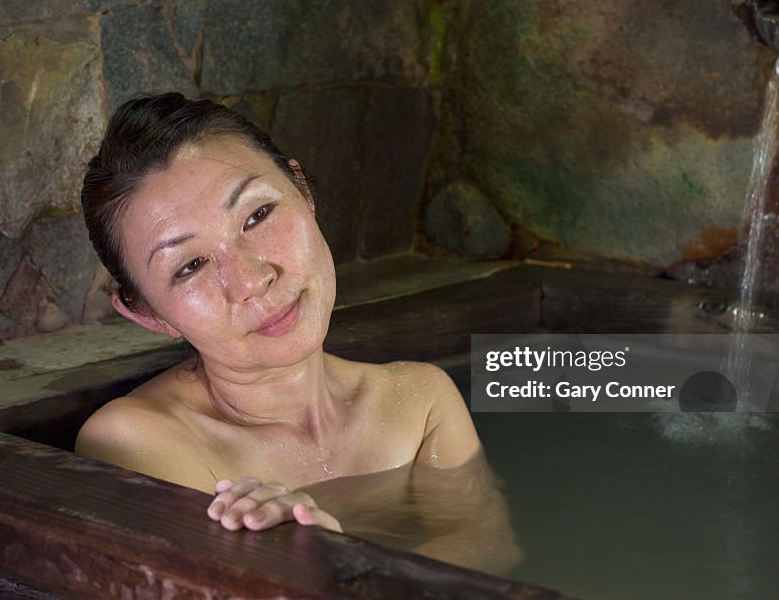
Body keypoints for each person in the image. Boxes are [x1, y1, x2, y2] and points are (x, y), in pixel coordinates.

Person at [76, 93, 519, 571]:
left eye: (257, 215)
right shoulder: (136, 442)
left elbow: (490, 550)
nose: (251, 280)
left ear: (302, 191)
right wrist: (333, 571)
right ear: (148, 314)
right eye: (190, 266)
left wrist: (341, 567)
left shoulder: (419, 400)